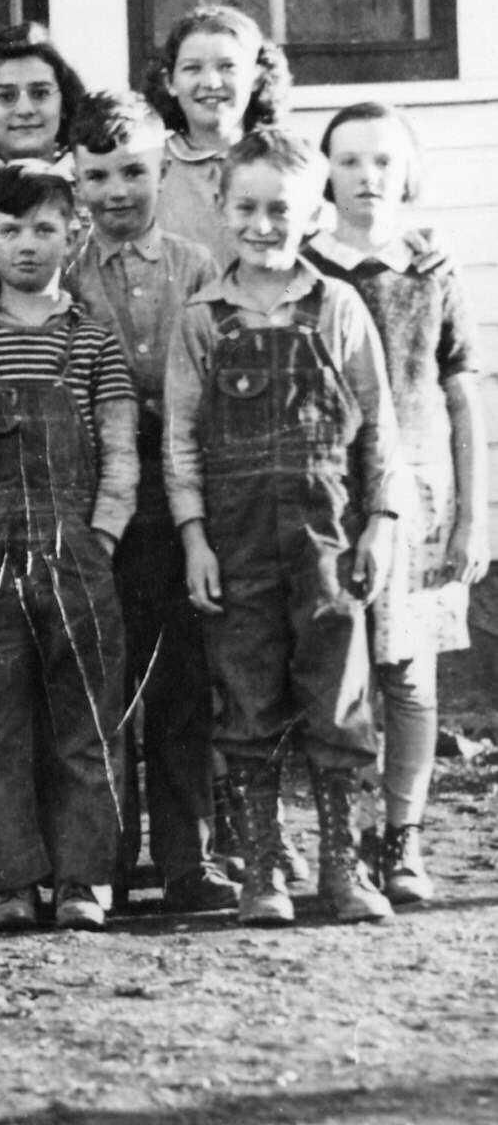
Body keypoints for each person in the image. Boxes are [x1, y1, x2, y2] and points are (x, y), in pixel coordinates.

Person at [164, 127, 399, 927]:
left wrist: (381, 525)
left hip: (326, 536)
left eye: (281, 210)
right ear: (223, 208)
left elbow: (379, 428)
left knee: (338, 696)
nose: (263, 225)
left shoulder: (337, 306)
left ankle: (342, 865)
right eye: (248, 208)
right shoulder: (202, 318)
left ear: (312, 213)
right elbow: (180, 443)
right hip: (235, 542)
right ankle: (263, 865)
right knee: (247, 694)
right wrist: (194, 537)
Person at [0, 165, 137, 932]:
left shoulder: (93, 339)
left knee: (86, 724)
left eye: (44, 228)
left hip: (76, 550)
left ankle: (83, 879)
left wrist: (101, 533)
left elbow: (119, 450)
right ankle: (10, 881)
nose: (26, 244)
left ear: (72, 237)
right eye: (9, 229)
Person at [303, 102, 487, 905]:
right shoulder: (306, 269)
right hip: (329, 494)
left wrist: (474, 515)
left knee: (409, 673)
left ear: (408, 170)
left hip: (419, 496)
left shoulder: (431, 269)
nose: (367, 176)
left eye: (383, 160)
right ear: (325, 173)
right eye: (348, 160)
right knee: (337, 672)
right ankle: (338, 842)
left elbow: (462, 398)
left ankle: (402, 837)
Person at [62, 90, 235, 915]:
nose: (117, 192)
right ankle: (101, 857)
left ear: (163, 169)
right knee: (99, 682)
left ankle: (186, 859)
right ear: (75, 179)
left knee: (178, 682)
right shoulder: (64, 273)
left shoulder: (197, 268)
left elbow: (206, 387)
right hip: (93, 499)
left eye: (133, 171)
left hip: (174, 496)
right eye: (98, 175)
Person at [142, 4, 292, 264]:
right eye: (192, 68)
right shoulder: (151, 166)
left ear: (257, 77)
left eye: (227, 66)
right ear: (170, 82)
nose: (211, 82)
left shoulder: (287, 160)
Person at [0, 22, 87, 230]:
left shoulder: (93, 184)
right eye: (5, 96)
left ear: (63, 102)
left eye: (40, 93)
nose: (24, 109)